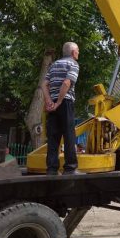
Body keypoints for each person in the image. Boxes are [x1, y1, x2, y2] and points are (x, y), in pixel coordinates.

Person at [43, 41, 80, 175]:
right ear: (73, 52)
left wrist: (49, 102)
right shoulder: (73, 64)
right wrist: (59, 102)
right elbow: (66, 83)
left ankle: (51, 169)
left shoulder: (54, 65)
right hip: (65, 102)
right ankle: (70, 168)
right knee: (69, 135)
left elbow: (44, 84)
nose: (78, 53)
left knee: (53, 137)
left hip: (52, 104)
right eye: (78, 51)